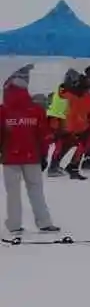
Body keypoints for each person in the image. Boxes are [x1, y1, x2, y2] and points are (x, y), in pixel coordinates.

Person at [2, 66, 59, 237]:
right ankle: (44, 223)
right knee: (36, 190)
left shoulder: (3, 110)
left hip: (10, 158)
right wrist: (43, 155)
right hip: (32, 156)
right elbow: (44, 136)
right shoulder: (36, 110)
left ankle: (14, 224)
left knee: (12, 193)